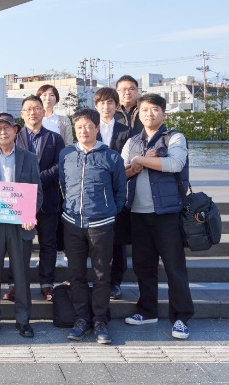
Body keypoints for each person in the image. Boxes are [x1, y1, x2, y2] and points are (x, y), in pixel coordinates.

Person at [121, 94, 194, 340]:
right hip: (138, 213)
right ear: (138, 114)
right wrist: (138, 163)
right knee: (143, 266)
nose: (149, 114)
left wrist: (139, 161)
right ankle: (147, 310)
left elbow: (175, 164)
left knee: (175, 267)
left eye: (154, 110)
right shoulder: (132, 141)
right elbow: (122, 172)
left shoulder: (174, 137)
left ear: (164, 113)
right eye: (144, 110)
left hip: (167, 214)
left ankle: (181, 317)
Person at [59, 108, 126, 344]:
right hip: (72, 223)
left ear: (97, 128)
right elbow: (63, 185)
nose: (83, 130)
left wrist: (106, 212)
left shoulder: (112, 157)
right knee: (76, 274)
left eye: (88, 126)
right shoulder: (66, 155)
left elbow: (120, 193)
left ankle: (100, 320)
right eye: (79, 127)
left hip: (101, 225)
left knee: (101, 274)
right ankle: (81, 320)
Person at [0, 112, 42, 338]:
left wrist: (31, 213)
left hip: (19, 224)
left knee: (21, 273)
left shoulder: (29, 157)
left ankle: (23, 320)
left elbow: (37, 190)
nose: (3, 132)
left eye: (7, 128)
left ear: (15, 130)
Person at [9, 95, 65, 302]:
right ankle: (16, 283)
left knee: (48, 243)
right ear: (22, 114)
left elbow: (60, 167)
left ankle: (46, 283)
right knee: (17, 244)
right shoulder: (14, 138)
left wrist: (36, 181)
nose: (33, 112)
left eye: (37, 108)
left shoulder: (55, 138)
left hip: (48, 200)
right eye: (28, 109)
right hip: (19, 201)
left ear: (43, 112)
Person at [93, 87, 132, 301]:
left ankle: (116, 281)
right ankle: (99, 279)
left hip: (118, 189)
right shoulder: (89, 129)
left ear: (117, 106)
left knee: (118, 238)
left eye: (110, 103)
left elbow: (130, 161)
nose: (106, 107)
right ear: (96, 105)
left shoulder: (126, 131)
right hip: (95, 192)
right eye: (102, 103)